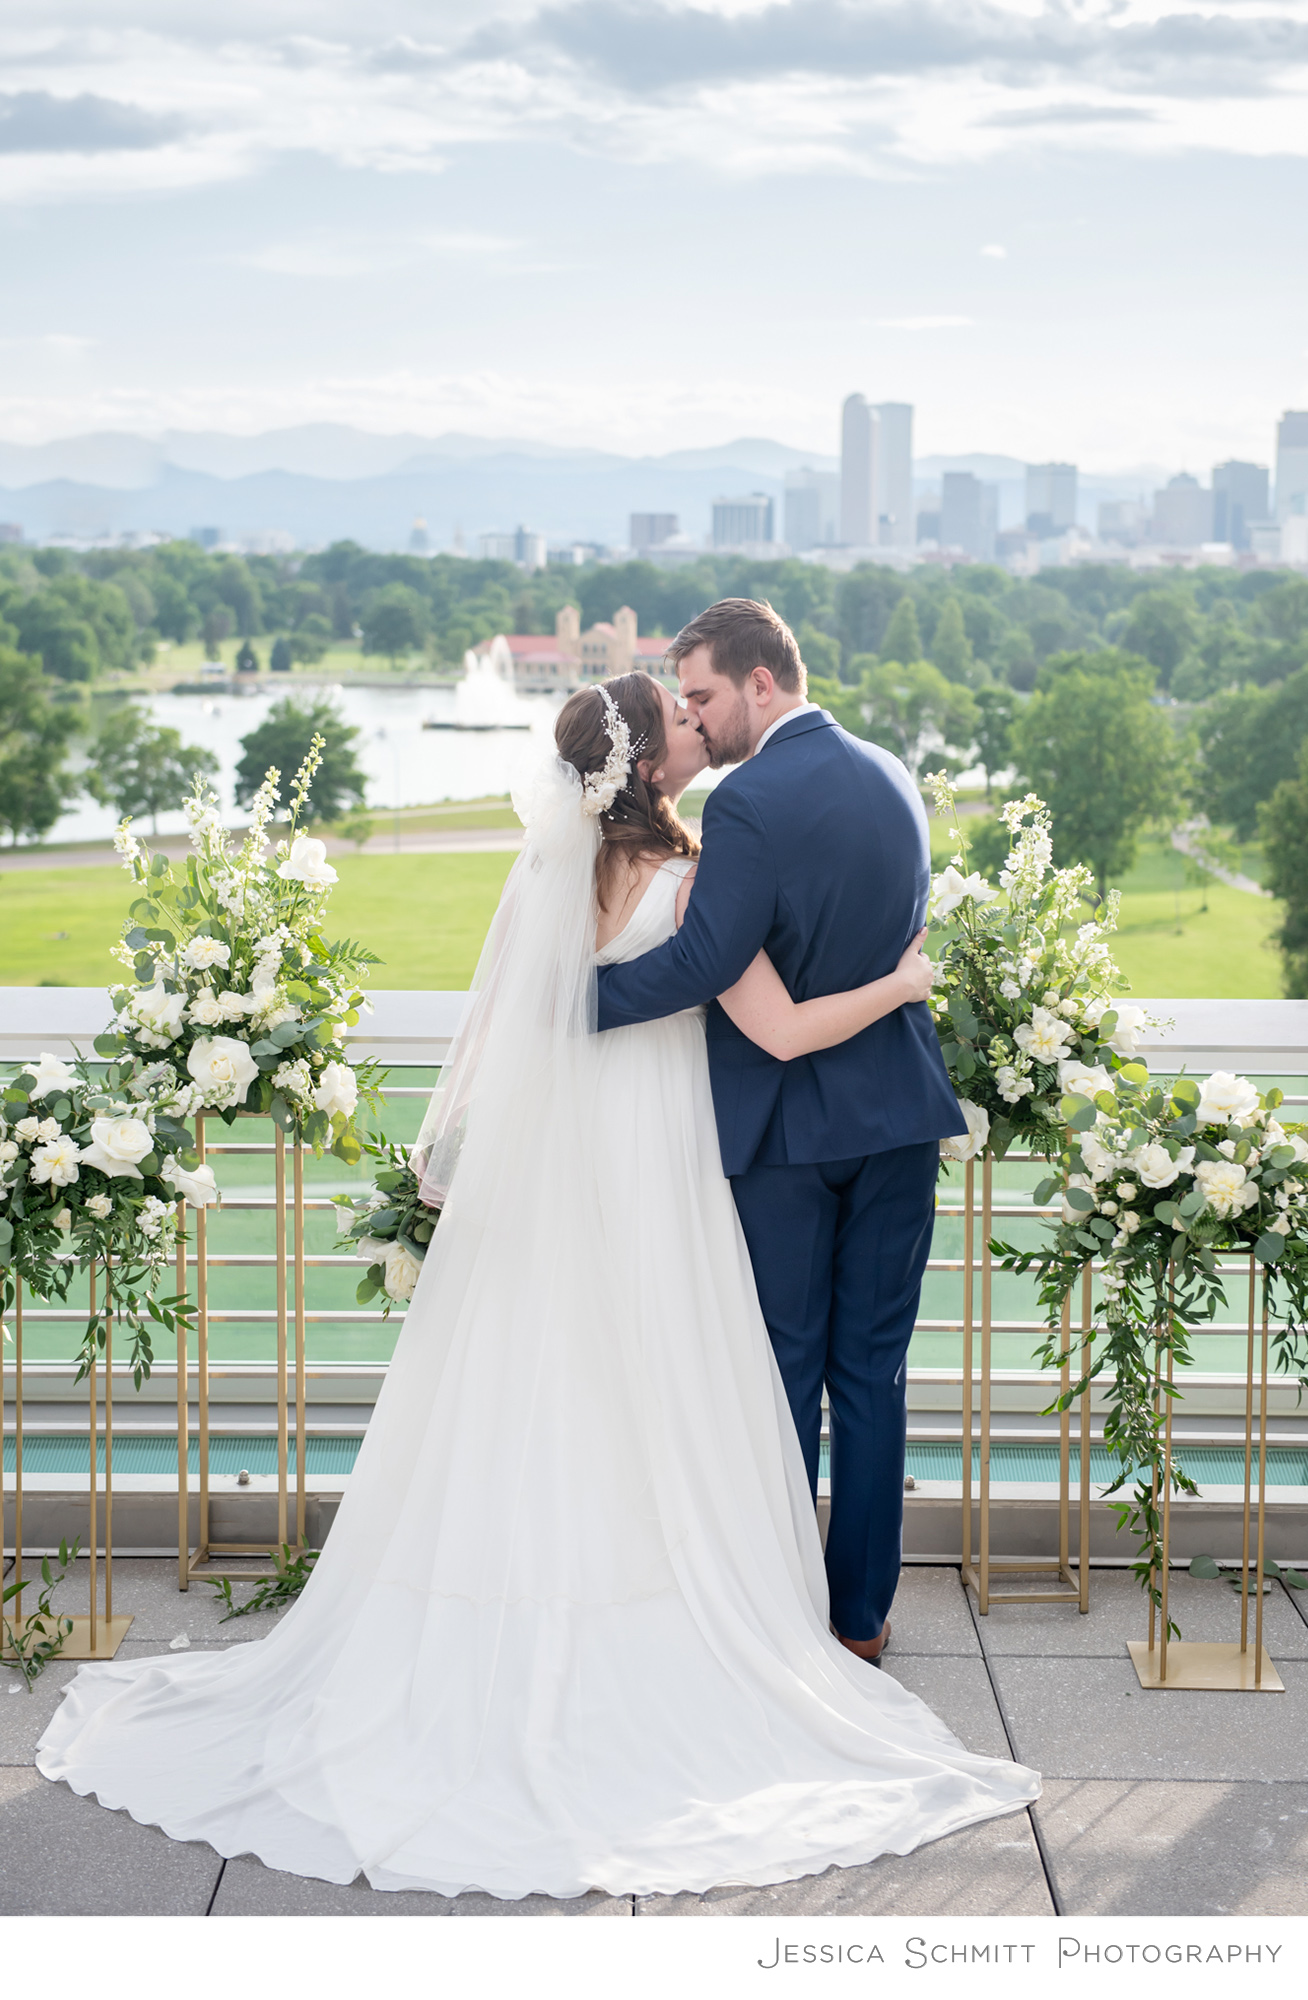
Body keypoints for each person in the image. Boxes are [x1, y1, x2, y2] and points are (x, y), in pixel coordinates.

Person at [35, 670, 1037, 1900]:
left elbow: (510, 1015)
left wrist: (542, 1035)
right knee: (677, 1361)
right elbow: (773, 1026)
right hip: (659, 1149)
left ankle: (537, 1582)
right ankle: (753, 1597)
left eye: (699, 702)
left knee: (554, 1360)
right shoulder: (690, 875)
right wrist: (904, 985)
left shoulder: (546, 872)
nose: (699, 724)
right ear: (651, 766)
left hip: (570, 1148)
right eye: (682, 717)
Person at [595, 600, 965, 1667]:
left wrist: (572, 1005)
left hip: (788, 1132)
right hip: (898, 1118)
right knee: (875, 1374)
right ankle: (862, 1619)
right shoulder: (894, 775)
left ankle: (782, 1610)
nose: (698, 720)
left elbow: (704, 961)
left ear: (763, 682)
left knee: (786, 1372)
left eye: (704, 695)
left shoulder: (750, 799)